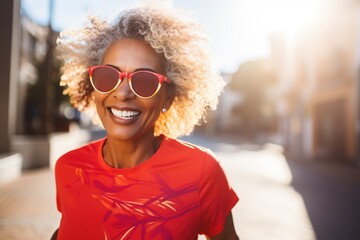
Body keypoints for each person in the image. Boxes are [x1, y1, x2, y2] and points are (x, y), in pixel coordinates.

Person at [53, 1, 239, 239]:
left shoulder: (202, 172)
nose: (122, 93)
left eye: (144, 81)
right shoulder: (69, 168)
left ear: (168, 98)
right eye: (108, 76)